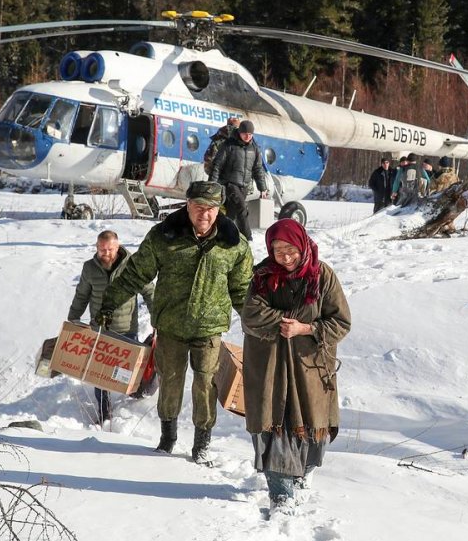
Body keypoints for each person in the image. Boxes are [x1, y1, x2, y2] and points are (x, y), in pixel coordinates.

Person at [99, 181, 254, 463]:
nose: (203, 214)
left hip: (209, 330)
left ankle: (201, 444)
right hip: (170, 327)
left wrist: (255, 326)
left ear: (219, 210)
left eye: (210, 209)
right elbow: (135, 273)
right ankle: (167, 438)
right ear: (187, 205)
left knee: (206, 385)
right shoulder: (164, 236)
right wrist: (108, 303)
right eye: (197, 207)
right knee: (170, 383)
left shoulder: (234, 246)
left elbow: (242, 290)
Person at [241, 218, 351, 514]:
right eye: (279, 251)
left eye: (291, 251)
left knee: (311, 428)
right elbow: (250, 315)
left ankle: (302, 475)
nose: (286, 258)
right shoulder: (262, 277)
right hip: (270, 366)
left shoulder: (322, 276)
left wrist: (305, 329)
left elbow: (340, 322)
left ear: (302, 245)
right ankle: (281, 493)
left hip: (309, 366)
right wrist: (284, 323)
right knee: (272, 425)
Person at [67, 230, 154, 424]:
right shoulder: (89, 268)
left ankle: (136, 398)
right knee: (99, 374)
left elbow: (149, 291)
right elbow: (82, 295)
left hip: (126, 329)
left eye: (109, 249)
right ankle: (104, 412)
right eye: (101, 249)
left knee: (131, 372)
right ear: (97, 248)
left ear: (118, 247)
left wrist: (156, 317)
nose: (105, 253)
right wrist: (73, 319)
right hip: (100, 329)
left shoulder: (132, 265)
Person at [209, 119, 269, 241]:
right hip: (229, 183)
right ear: (239, 132)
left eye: (250, 134)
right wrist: (212, 184)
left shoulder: (255, 149)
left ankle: (222, 236)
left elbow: (258, 169)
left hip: (245, 186)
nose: (247, 136)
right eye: (245, 133)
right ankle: (248, 238)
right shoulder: (229, 145)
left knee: (231, 214)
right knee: (242, 208)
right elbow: (217, 166)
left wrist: (262, 188)